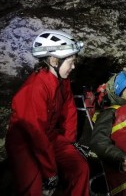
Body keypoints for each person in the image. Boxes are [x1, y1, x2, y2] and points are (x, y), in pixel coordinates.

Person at [5, 30, 90, 196]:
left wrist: (69, 141)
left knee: (80, 168)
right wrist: (50, 172)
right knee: (34, 188)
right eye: (71, 61)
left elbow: (69, 109)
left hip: (50, 135)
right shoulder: (35, 89)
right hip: (25, 144)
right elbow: (35, 135)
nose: (73, 66)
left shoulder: (61, 80)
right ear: (53, 60)